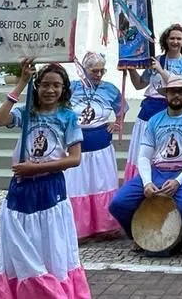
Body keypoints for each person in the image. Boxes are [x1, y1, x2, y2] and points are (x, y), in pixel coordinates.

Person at [0, 60, 90, 299]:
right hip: (21, 189)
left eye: (56, 85)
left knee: (50, 248)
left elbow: (74, 159)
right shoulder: (26, 111)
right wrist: (22, 82)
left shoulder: (68, 117)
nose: (50, 90)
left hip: (50, 189)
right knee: (20, 245)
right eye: (45, 85)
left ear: (64, 89)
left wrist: (37, 168)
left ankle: (51, 292)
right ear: (37, 87)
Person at [108, 78, 182, 246]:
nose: (176, 95)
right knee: (118, 204)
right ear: (166, 94)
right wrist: (147, 183)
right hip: (156, 171)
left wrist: (178, 181)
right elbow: (144, 155)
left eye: (181, 91)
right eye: (172, 91)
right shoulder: (154, 120)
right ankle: (140, 236)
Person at [123, 23, 182, 181]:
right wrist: (130, 67)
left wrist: (159, 69)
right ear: (166, 40)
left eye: (179, 38)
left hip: (170, 110)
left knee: (163, 153)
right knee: (144, 153)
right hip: (148, 111)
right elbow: (139, 84)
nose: (175, 42)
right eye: (172, 38)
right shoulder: (156, 60)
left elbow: (180, 86)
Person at [65, 51, 124, 240]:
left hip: (100, 143)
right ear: (84, 69)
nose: (98, 75)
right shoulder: (72, 88)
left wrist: (117, 124)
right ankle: (79, 228)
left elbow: (121, 110)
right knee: (78, 186)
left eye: (101, 71)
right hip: (77, 142)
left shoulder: (111, 89)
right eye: (94, 70)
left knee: (101, 184)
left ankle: (105, 226)